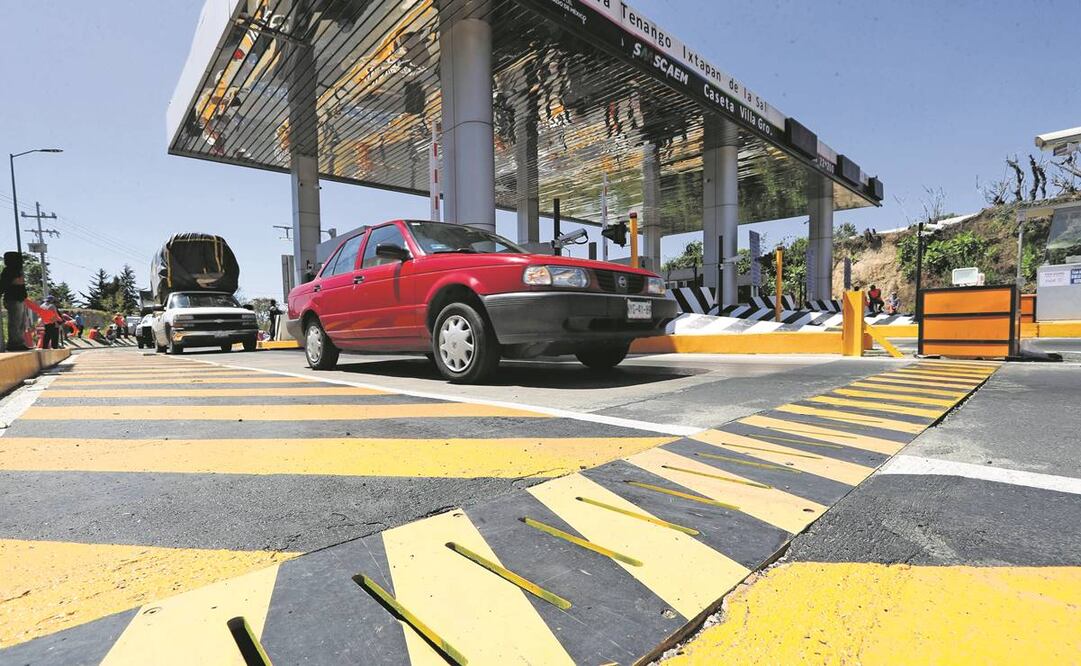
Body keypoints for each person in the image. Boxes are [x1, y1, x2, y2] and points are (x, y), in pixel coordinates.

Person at [0, 252, 30, 351]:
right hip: (12, 299)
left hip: (20, 298)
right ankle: (14, 343)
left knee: (21, 322)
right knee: (15, 322)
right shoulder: (8, 271)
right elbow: (3, 285)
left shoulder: (18, 271)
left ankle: (19, 342)